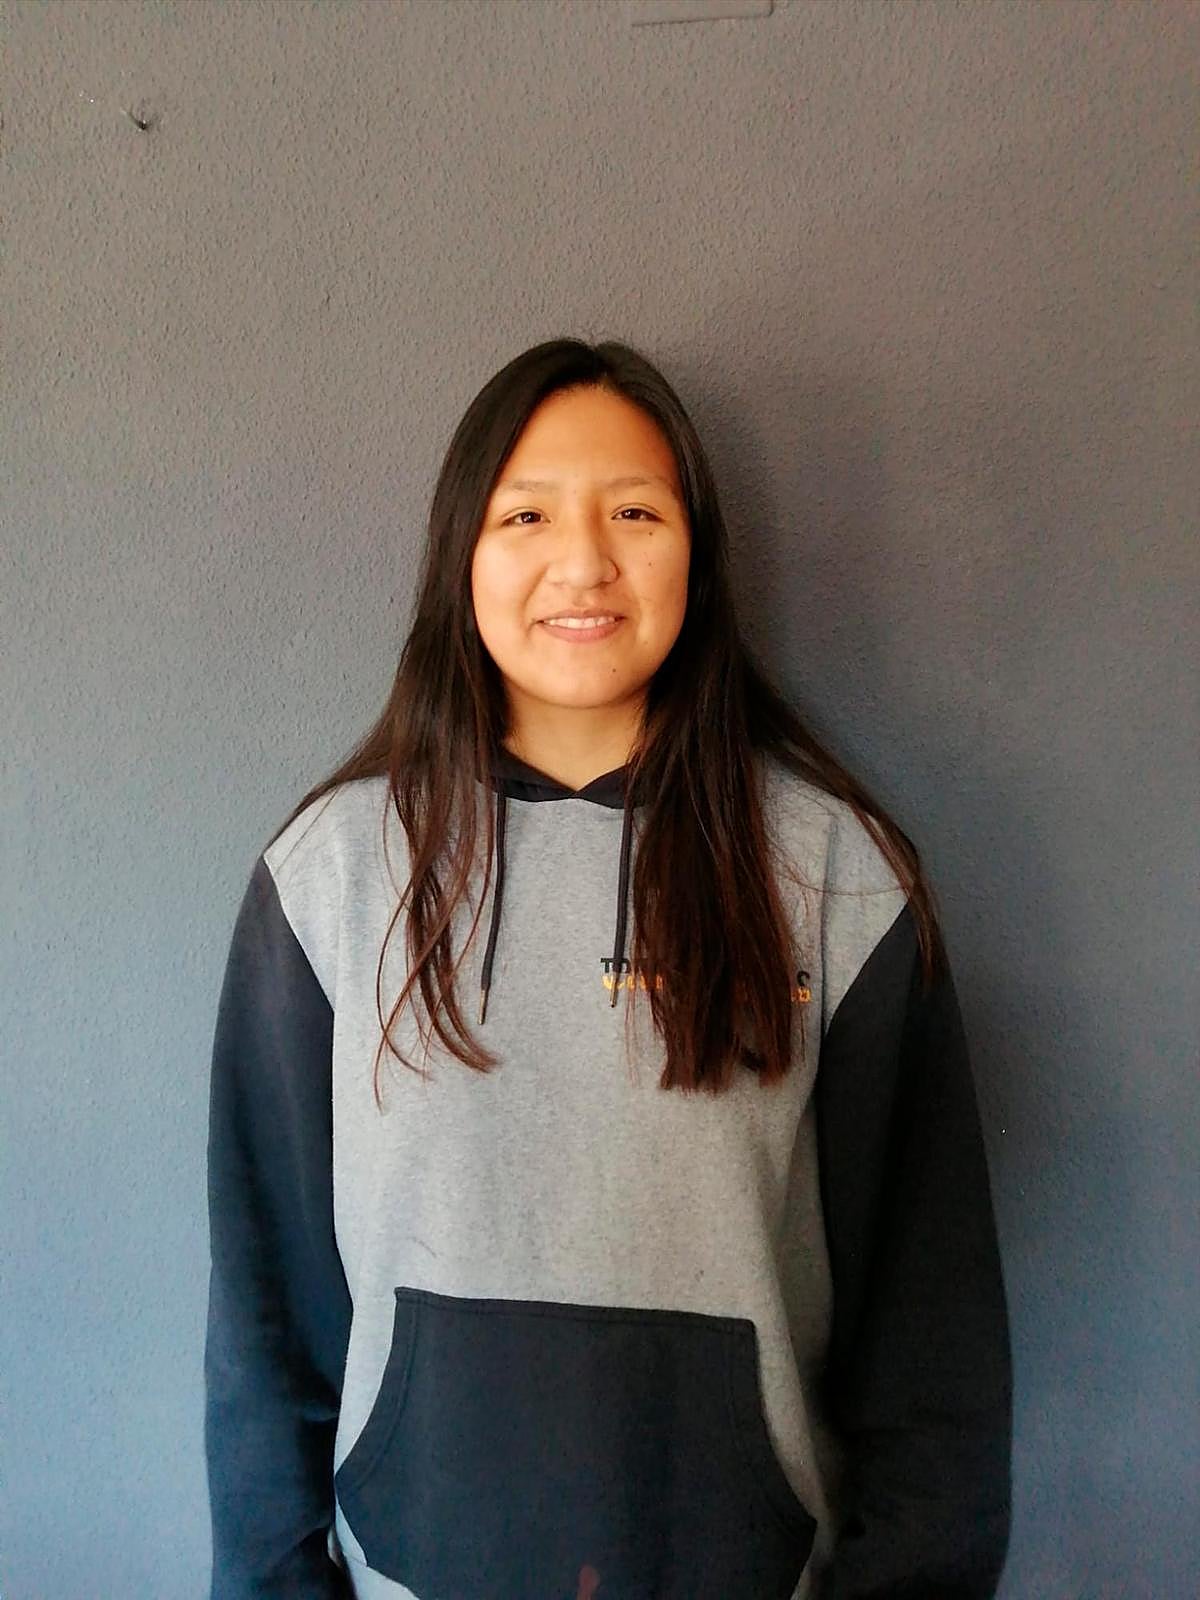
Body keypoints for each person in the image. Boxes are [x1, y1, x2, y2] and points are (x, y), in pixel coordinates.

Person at [203, 338, 1013, 1600]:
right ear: (461, 555)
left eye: (635, 511)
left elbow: (933, 1353)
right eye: (525, 515)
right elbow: (267, 1325)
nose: (582, 560)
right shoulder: (329, 880)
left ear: (698, 552)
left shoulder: (838, 880)